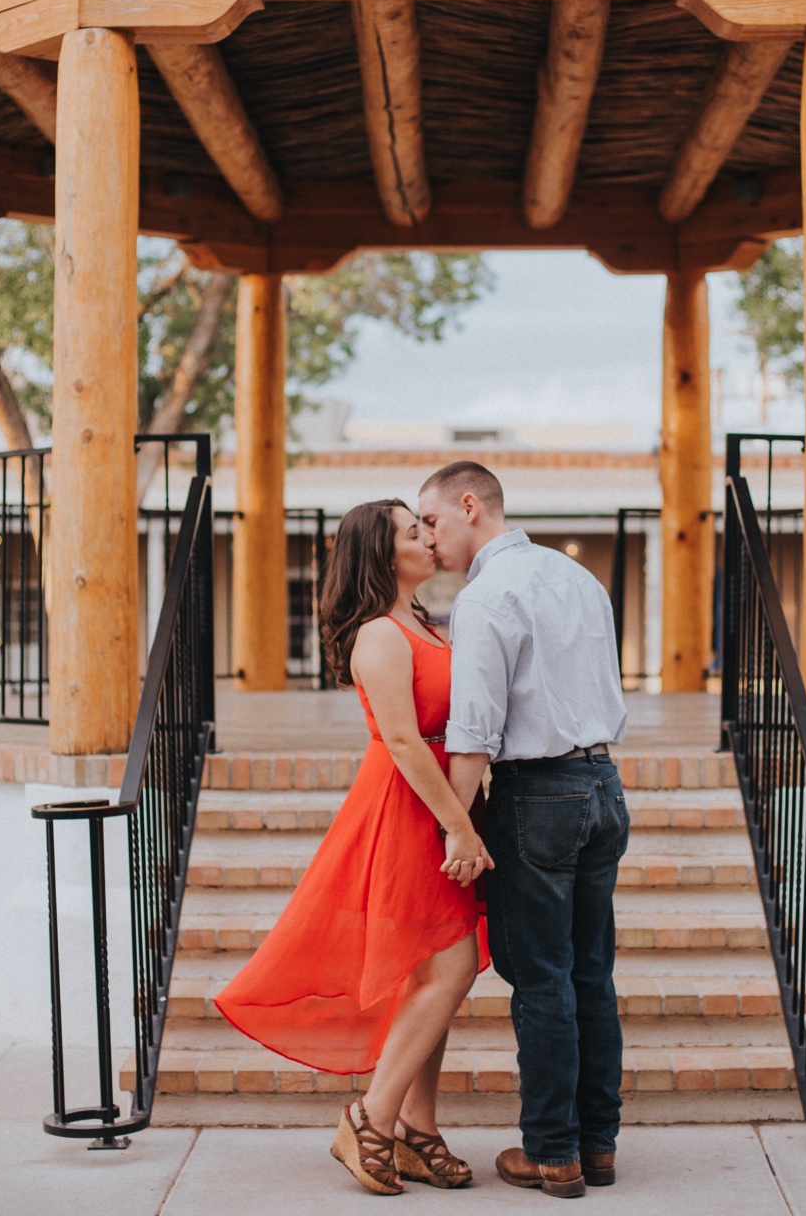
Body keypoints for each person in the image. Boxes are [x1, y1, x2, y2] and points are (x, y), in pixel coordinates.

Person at [215, 500, 491, 1196]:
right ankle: (369, 1119)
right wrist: (458, 825)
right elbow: (401, 739)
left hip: (436, 801)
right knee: (449, 967)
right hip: (407, 810)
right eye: (412, 531)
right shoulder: (379, 635)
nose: (429, 537)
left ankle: (415, 1132)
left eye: (426, 527)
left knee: (433, 976)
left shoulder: (419, 623)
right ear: (379, 554)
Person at [419, 461, 630, 1200]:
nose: (429, 538)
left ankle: (552, 1153)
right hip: (604, 785)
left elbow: (474, 731)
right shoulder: (578, 580)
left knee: (542, 980)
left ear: (470, 506)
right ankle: (597, 1148)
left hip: (537, 796)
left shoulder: (485, 596)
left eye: (434, 521)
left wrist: (455, 829)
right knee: (588, 974)